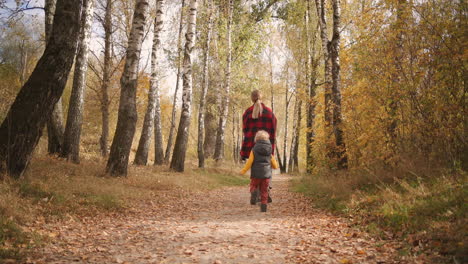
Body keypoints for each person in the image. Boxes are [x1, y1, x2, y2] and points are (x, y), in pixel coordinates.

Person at [240, 130, 279, 212]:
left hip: (256, 175)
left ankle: (253, 192)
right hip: (266, 175)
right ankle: (264, 205)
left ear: (256, 139)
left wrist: (243, 171)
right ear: (267, 139)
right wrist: (275, 167)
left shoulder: (254, 150)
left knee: (253, 185)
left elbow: (249, 162)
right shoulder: (269, 151)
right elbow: (274, 163)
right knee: (264, 190)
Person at [240, 90, 277, 161]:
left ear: (252, 99)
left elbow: (245, 131)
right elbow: (273, 131)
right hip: (266, 148)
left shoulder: (247, 112)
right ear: (261, 98)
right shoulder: (269, 112)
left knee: (252, 169)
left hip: (250, 148)